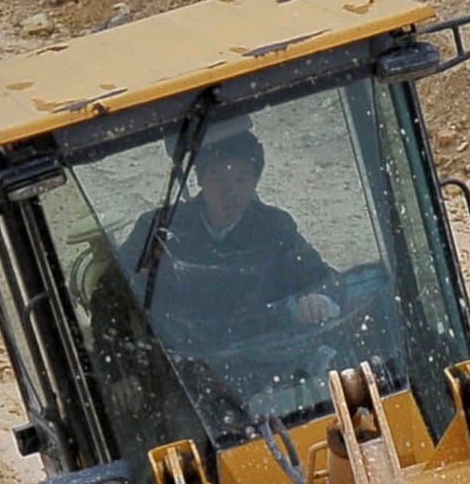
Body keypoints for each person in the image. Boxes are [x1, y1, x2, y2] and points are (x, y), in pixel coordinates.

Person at [121, 121, 340, 358]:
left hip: (268, 358)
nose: (230, 191)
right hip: (186, 364)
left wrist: (320, 299)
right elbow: (113, 294)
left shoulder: (275, 228)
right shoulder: (160, 230)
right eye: (218, 177)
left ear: (255, 181)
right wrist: (123, 372)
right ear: (200, 179)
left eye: (241, 178)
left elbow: (323, 279)